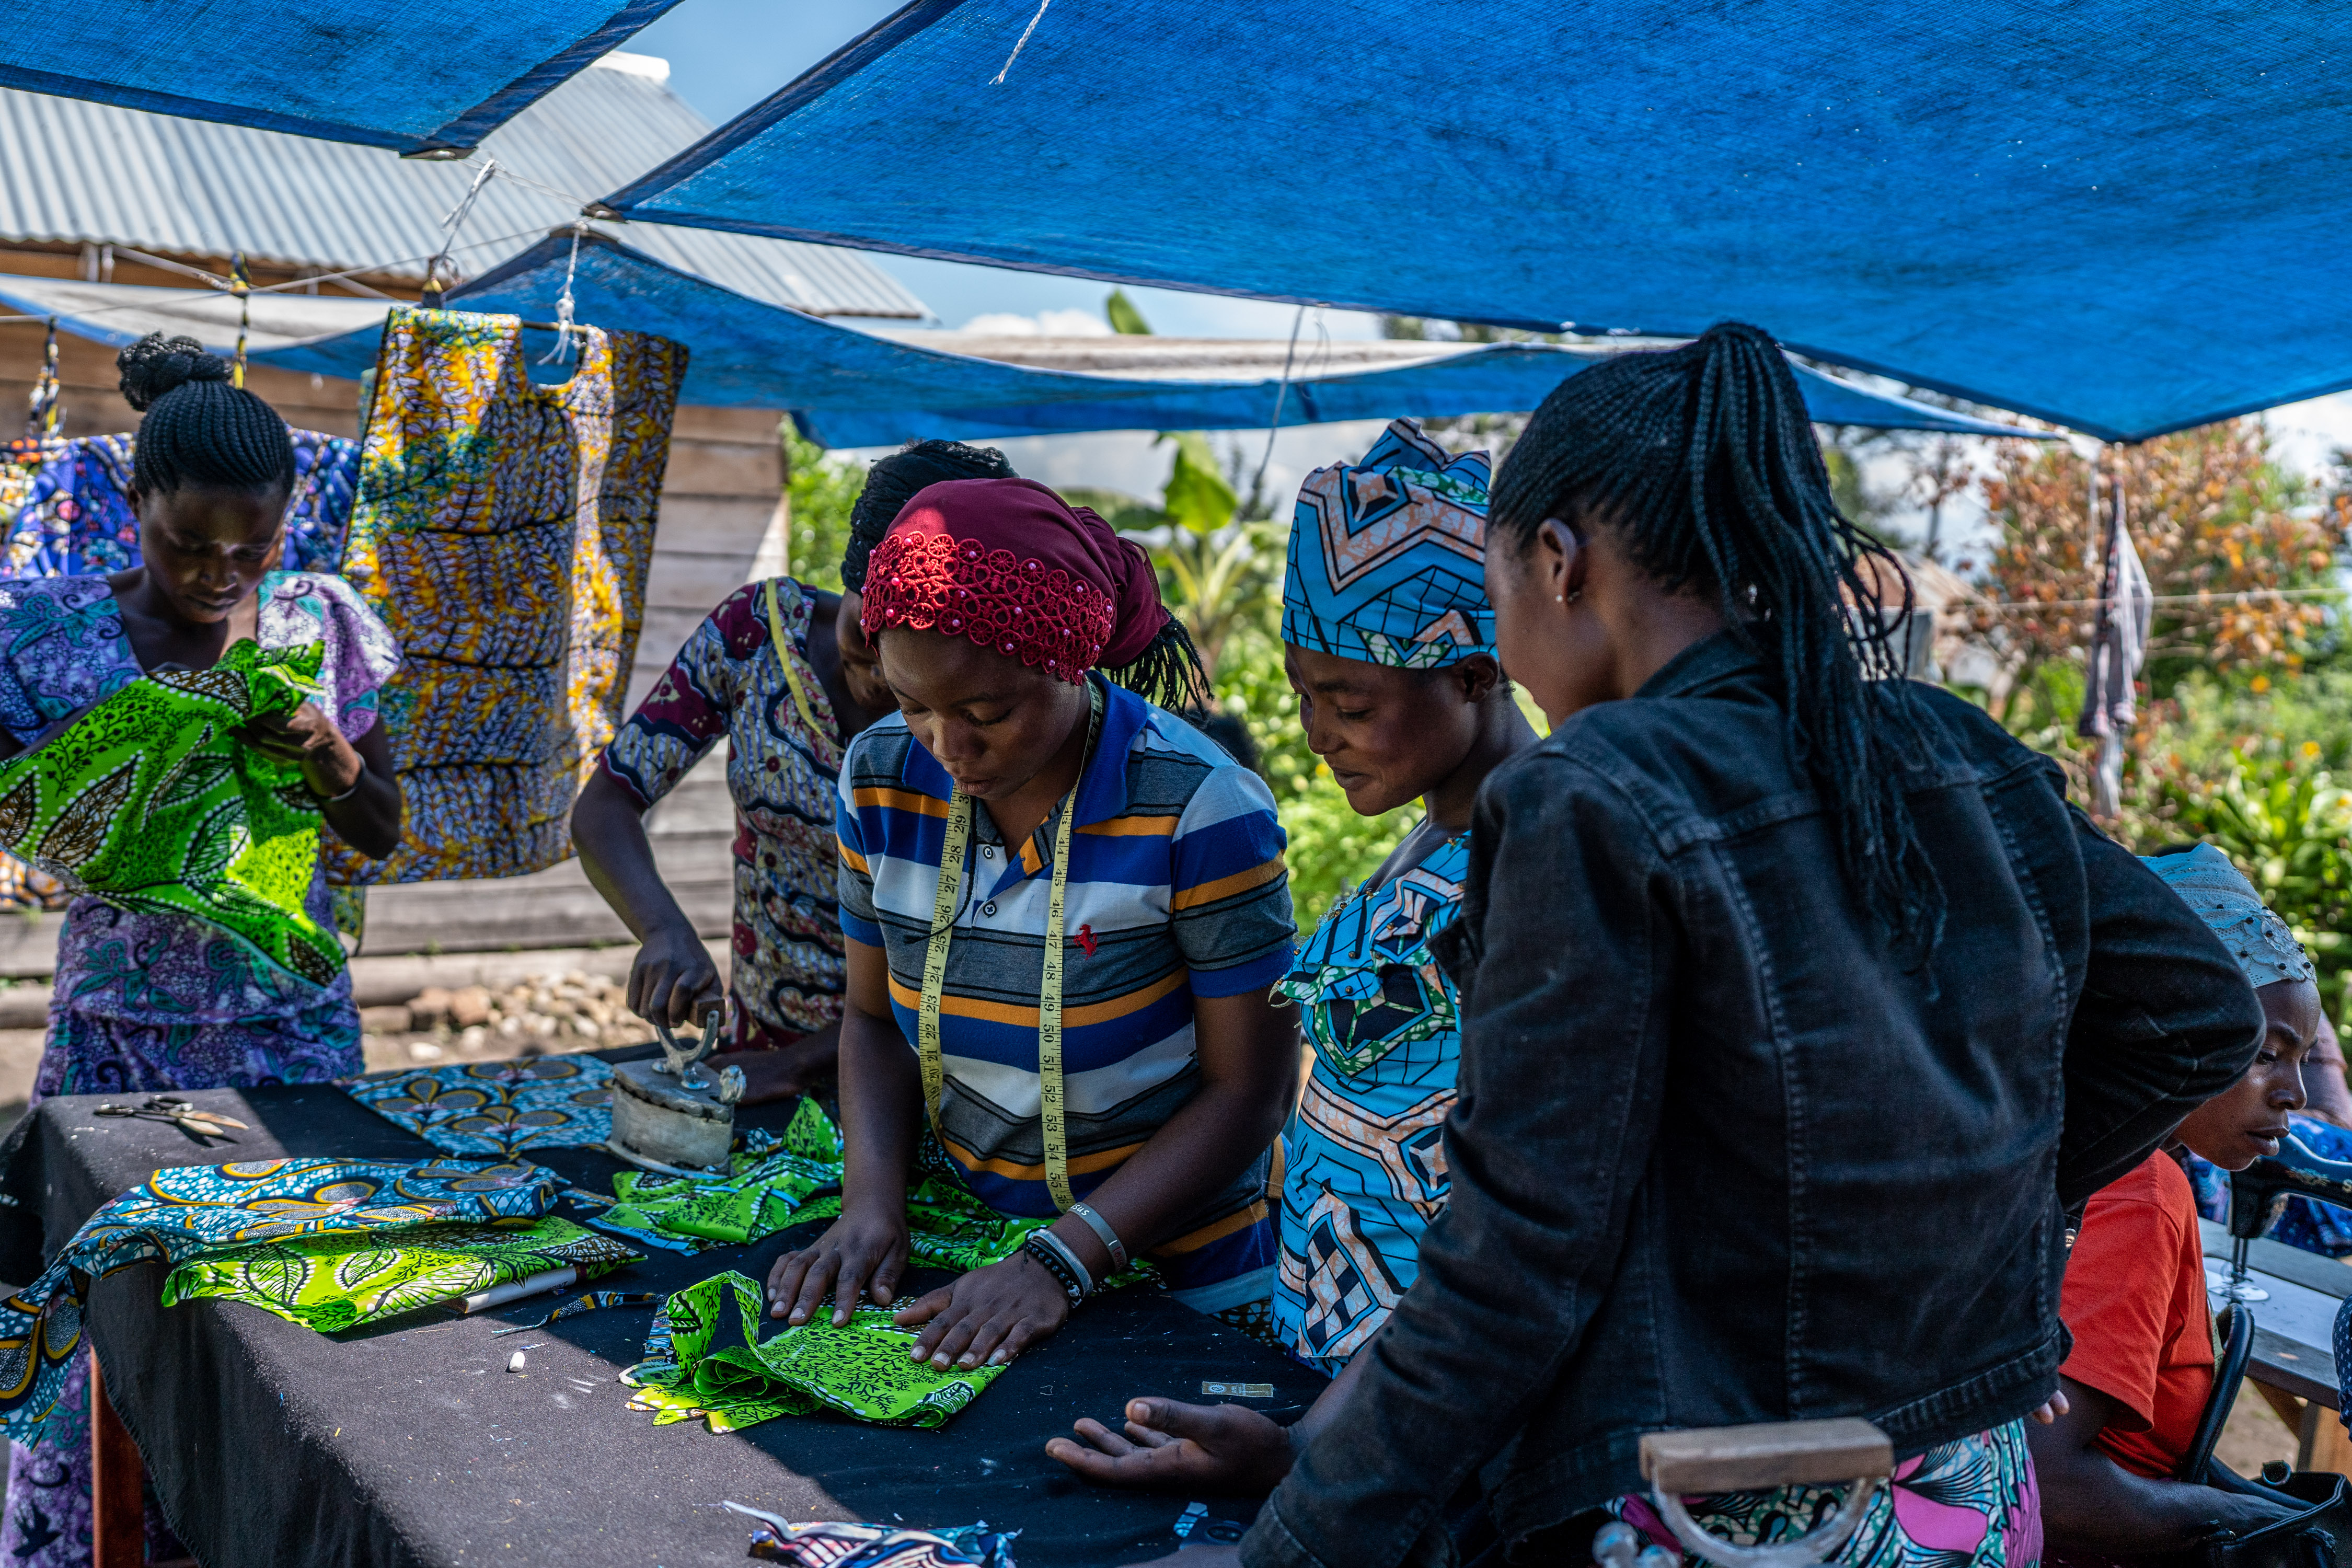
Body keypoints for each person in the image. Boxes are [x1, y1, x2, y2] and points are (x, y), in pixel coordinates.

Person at [1190, 323, 2261, 1568]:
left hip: (1709, 1515)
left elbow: (1511, 1264)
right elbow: (2194, 1014)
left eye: (1492, 601)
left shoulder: (1587, 792)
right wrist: (1962, 1221)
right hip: (1965, 1503)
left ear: (1556, 562)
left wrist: (1291, 1545)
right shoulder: (1955, 749)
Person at [1044, 419, 1536, 1493]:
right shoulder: (1446, 831)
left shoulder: (1536, 864)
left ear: (1478, 677)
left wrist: (1325, 1455)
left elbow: (1507, 1225)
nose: (1315, 732)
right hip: (1344, 1374)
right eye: (1304, 692)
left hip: (1433, 1414)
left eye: (1349, 703)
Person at [0, 333, 402, 1568]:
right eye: (187, 545)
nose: (219, 573)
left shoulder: (322, 625)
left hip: (291, 1047)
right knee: (101, 1344)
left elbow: (380, 829)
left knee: (285, 1335)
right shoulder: (43, 638)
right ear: (132, 507)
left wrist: (326, 750)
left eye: (250, 547)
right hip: (116, 1052)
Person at [768, 475, 1299, 1369]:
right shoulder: (882, 777)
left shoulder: (1199, 808)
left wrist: (1062, 1258)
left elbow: (1251, 1093)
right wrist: (871, 1204)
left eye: (987, 713)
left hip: (1182, 1276)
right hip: (973, 1253)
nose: (948, 746)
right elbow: (870, 1019)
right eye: (914, 705)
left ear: (1068, 662)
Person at [572, 441, 1007, 1099]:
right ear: (851, 576)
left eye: (917, 635)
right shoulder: (756, 635)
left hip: (937, 1076)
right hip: (758, 1044)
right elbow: (606, 804)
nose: (888, 665)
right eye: (872, 624)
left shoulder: (993, 717)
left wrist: (803, 1068)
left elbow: (992, 949)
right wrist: (663, 929)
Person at [2032, 845, 2322, 1553]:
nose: (2296, 1094)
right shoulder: (2142, 1187)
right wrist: (2266, 1531)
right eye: (2262, 1053)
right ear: (2168, 1031)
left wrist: (2254, 1501)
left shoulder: (2056, 1149)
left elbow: (2151, 1453)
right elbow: (2050, 1488)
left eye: (2301, 1058)